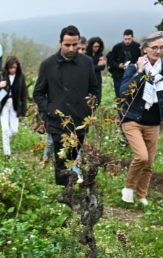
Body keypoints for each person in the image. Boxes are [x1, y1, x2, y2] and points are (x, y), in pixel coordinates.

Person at [32, 25, 98, 186]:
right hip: (57, 121)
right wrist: (50, 110)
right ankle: (63, 194)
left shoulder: (87, 63)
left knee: (74, 157)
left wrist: (89, 108)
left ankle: (72, 190)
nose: (71, 48)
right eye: (67, 45)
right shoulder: (48, 65)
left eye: (74, 45)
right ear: (60, 42)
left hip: (80, 120)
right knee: (61, 160)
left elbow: (94, 90)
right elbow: (38, 93)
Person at [118, 31, 163, 207]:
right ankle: (128, 188)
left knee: (149, 163)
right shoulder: (133, 68)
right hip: (132, 118)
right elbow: (124, 92)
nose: (158, 51)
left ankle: (141, 196)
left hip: (153, 120)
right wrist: (141, 71)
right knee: (141, 157)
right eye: (154, 47)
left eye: (161, 48)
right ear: (145, 49)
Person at [0, 55, 27, 159]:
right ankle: (7, 153)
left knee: (14, 130)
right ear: (7, 67)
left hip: (15, 104)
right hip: (3, 104)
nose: (13, 70)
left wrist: (24, 110)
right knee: (5, 129)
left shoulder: (21, 76)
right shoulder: (1, 75)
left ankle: (6, 139)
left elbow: (24, 94)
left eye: (15, 67)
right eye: (11, 67)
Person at [108, 29, 141, 99]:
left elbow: (140, 59)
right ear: (123, 38)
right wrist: (118, 66)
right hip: (119, 76)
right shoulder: (117, 47)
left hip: (133, 76)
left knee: (132, 97)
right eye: (125, 39)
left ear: (133, 37)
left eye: (129, 39)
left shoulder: (137, 47)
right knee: (120, 97)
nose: (127, 41)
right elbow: (111, 61)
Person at [87, 37, 106, 104]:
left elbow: (102, 67)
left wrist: (93, 66)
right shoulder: (86, 55)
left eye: (98, 47)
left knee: (98, 99)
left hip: (97, 79)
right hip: (88, 80)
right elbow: (86, 67)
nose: (97, 48)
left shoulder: (99, 54)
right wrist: (97, 66)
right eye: (95, 46)